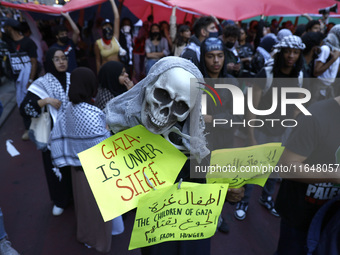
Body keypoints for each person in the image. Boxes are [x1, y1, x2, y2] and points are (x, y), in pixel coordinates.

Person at [49, 67, 123, 253]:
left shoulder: (67, 109)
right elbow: (103, 144)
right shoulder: (92, 113)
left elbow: (57, 135)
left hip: (77, 169)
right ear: (90, 86)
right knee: (100, 209)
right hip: (97, 171)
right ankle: (101, 241)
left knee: (84, 208)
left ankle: (87, 236)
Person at [235, 35, 306, 220]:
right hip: (261, 128)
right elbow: (252, 107)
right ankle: (244, 200)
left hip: (283, 130)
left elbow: (298, 105)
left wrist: (293, 130)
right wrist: (251, 136)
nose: (291, 55)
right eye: (288, 51)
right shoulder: (266, 73)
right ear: (281, 52)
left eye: (296, 52)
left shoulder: (299, 75)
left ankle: (266, 197)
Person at [275, 96, 340, 255]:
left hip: (333, 219)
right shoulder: (317, 115)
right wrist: (334, 175)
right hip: (301, 216)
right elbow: (285, 167)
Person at [20, 48, 73, 216]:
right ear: (50, 61)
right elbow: (25, 108)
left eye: (63, 58)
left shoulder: (72, 78)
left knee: (73, 165)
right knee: (54, 166)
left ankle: (74, 197)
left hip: (72, 131)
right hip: (52, 133)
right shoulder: (41, 84)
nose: (61, 62)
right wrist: (46, 101)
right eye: (56, 59)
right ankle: (60, 200)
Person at [2, 18, 38, 141]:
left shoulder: (29, 43)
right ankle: (28, 129)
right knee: (22, 104)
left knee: (34, 103)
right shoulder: (8, 42)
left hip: (30, 82)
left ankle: (39, 126)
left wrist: (30, 81)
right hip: (18, 82)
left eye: (5, 28)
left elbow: (34, 63)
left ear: (9, 28)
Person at [94, 0, 120, 74]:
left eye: (109, 26)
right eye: (105, 26)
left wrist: (112, 1)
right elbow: (98, 60)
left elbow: (117, 17)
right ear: (101, 29)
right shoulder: (98, 43)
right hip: (106, 72)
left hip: (117, 70)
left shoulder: (115, 38)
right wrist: (99, 74)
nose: (107, 28)